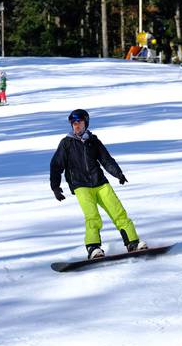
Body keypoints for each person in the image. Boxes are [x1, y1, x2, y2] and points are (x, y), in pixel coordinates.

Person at [50, 109, 147, 260]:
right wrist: (56, 187)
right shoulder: (66, 143)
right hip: (80, 185)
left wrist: (118, 174)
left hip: (100, 183)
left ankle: (132, 242)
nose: (76, 126)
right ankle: (93, 247)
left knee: (118, 212)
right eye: (74, 123)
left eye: (79, 123)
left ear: (86, 123)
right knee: (92, 216)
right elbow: (56, 165)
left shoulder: (93, 141)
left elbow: (106, 160)